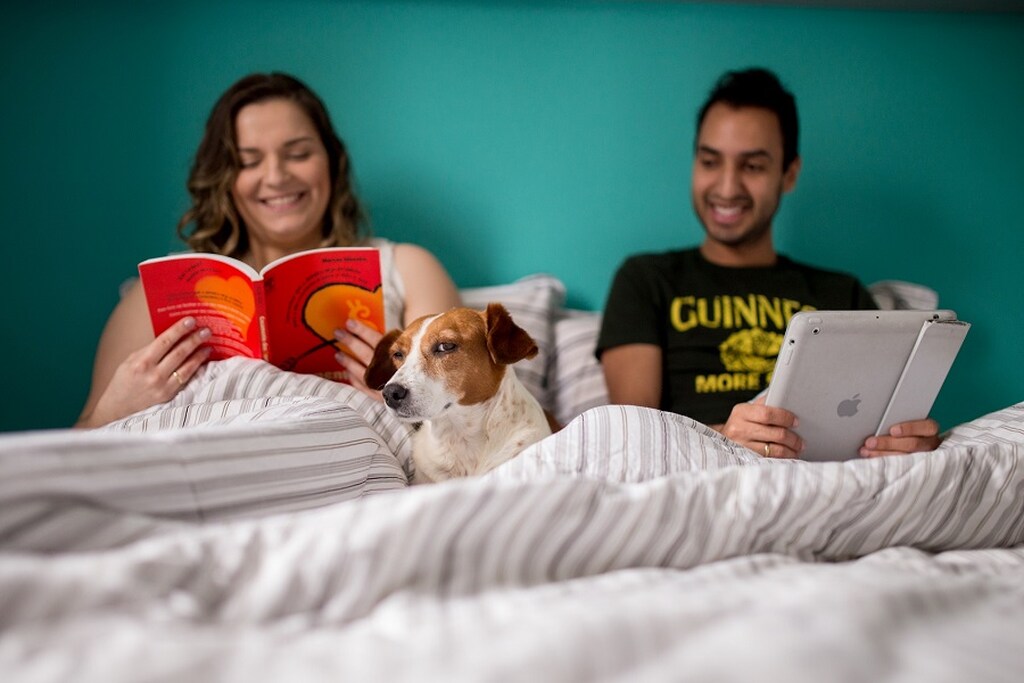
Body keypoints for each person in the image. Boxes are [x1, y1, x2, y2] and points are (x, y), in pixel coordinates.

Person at [76, 72, 461, 428]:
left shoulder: (407, 268)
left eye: (298, 154)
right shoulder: (156, 293)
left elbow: (470, 429)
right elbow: (78, 443)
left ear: (332, 162)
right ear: (224, 179)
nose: (276, 177)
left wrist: (394, 396)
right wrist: (117, 407)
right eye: (248, 161)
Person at [597, 67, 940, 459]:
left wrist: (907, 439)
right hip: (700, 471)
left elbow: (881, 422)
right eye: (710, 162)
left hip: (821, 473)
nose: (727, 188)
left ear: (789, 174)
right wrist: (725, 437)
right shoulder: (646, 279)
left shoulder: (841, 292)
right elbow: (633, 432)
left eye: (752, 166)